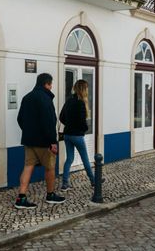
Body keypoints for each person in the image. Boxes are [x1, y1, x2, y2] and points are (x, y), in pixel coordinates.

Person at [14, 73, 65, 209]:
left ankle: (21, 198)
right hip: (44, 142)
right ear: (46, 84)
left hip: (29, 140)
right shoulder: (46, 99)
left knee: (28, 167)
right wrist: (52, 142)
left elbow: (20, 119)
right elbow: (49, 122)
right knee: (50, 168)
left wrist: (29, 132)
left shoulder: (27, 97)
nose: (51, 86)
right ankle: (50, 195)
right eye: (51, 84)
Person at [58, 79, 95, 191]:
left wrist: (69, 124)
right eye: (87, 88)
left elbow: (61, 117)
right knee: (85, 159)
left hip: (67, 135)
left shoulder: (69, 100)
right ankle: (93, 181)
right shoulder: (81, 103)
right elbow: (82, 122)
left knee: (69, 159)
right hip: (77, 136)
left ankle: (65, 184)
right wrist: (84, 129)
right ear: (84, 89)